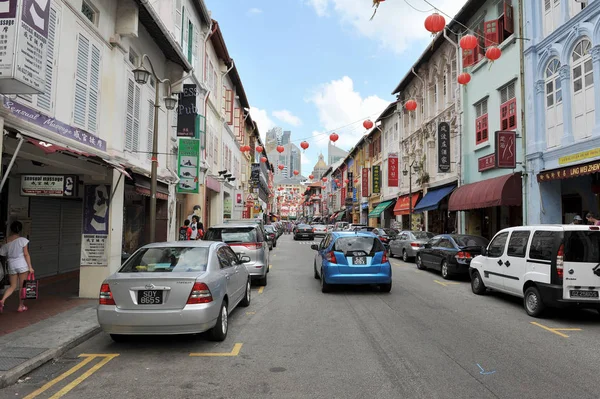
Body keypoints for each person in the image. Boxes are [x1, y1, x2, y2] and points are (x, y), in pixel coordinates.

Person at [0, 221, 34, 313]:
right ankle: (20, 306)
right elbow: (26, 254)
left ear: (11, 229)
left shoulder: (6, 240)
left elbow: (2, 253)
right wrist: (30, 267)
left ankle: (2, 300)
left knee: (12, 286)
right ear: (20, 230)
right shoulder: (23, 240)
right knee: (23, 286)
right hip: (22, 265)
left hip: (11, 265)